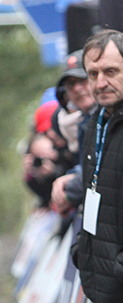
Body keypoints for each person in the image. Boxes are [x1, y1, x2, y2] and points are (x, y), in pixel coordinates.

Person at [71, 29, 123, 303]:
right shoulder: (97, 122)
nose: (100, 82)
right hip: (109, 279)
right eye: (93, 74)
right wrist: (83, 248)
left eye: (111, 71)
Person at [51, 49, 99, 216]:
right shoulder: (84, 122)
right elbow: (87, 165)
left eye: (82, 80)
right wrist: (68, 178)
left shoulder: (106, 118)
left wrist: (68, 193)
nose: (78, 89)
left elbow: (98, 171)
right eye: (71, 84)